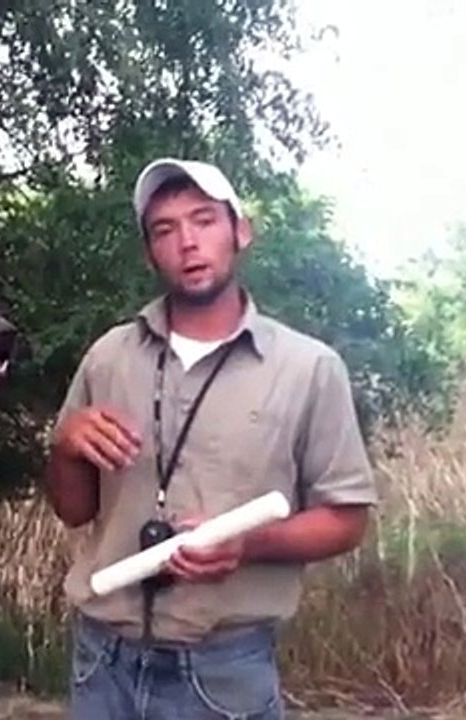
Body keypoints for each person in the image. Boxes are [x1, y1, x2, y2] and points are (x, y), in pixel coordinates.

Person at [44, 157, 380, 719]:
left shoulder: (308, 368)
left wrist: (247, 545)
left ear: (239, 232)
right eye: (165, 230)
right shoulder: (109, 356)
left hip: (224, 674)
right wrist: (65, 448)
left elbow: (347, 519)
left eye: (204, 221)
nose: (187, 243)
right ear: (151, 251)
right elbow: (73, 509)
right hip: (101, 662)